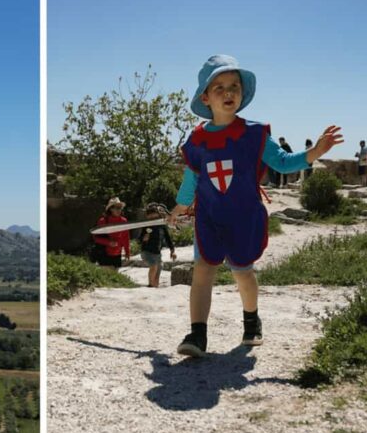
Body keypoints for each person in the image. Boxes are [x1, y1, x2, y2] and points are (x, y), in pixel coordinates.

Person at [167, 55, 343, 357]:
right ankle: (197, 335)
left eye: (234, 86)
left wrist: (313, 153)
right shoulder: (196, 141)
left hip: (243, 218)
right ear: (205, 97)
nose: (228, 92)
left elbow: (284, 163)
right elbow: (191, 178)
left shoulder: (254, 134)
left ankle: (251, 319)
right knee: (202, 271)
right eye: (219, 87)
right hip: (208, 218)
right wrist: (179, 208)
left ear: (242, 94)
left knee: (242, 272)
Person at [139, 203, 177, 287]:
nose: (151, 216)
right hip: (147, 251)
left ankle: (155, 286)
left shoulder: (161, 226)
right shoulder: (146, 226)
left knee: (159, 268)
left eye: (153, 213)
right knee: (154, 266)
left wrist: (172, 251)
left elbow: (168, 239)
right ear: (147, 216)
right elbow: (140, 239)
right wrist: (144, 239)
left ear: (158, 214)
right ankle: (150, 285)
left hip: (157, 253)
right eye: (149, 214)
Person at [92, 197, 131, 269]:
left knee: (115, 277)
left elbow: (126, 237)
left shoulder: (123, 221)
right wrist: (108, 242)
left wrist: (127, 252)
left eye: (120, 208)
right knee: (106, 277)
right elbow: (96, 238)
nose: (119, 210)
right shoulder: (103, 221)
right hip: (104, 253)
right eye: (117, 208)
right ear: (111, 209)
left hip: (117, 253)